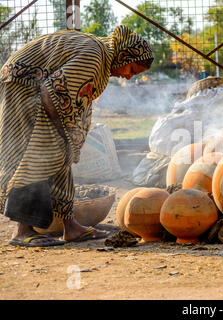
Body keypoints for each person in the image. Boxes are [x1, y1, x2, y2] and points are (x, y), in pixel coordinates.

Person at [0, 25, 153, 247]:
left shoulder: (102, 56)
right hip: (22, 84)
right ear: (123, 55)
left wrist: (70, 138)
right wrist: (64, 132)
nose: (129, 77)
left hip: (37, 84)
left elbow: (72, 96)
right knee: (38, 152)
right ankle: (23, 231)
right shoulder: (94, 56)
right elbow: (51, 90)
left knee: (62, 151)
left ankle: (70, 227)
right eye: (131, 69)